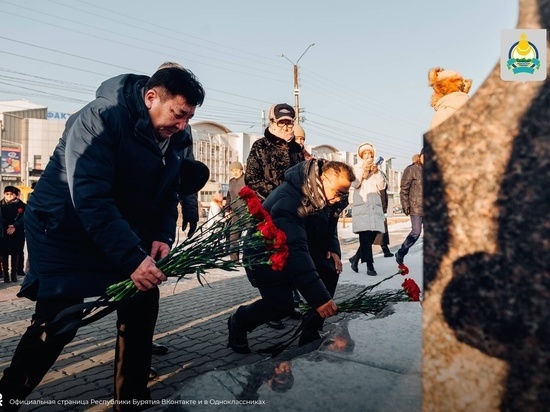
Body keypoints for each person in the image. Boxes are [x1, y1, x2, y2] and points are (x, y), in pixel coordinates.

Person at [0, 66, 205, 410]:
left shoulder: (177, 137)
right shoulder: (101, 118)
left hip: (117, 225)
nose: (183, 125)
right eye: (179, 114)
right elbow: (90, 197)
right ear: (152, 97)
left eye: (189, 118)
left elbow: (169, 192)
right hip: (64, 228)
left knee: (142, 299)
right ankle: (7, 398)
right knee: (59, 321)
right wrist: (131, 258)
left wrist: (159, 235)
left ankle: (132, 399)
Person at [227, 159, 355, 354]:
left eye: (345, 194)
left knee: (329, 268)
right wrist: (319, 299)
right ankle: (239, 321)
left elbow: (329, 223)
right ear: (322, 179)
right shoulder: (290, 200)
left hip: (293, 250)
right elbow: (295, 250)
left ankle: (310, 332)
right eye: (338, 193)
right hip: (265, 255)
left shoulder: (324, 196)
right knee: (281, 306)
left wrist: (333, 248)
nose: (340, 199)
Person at [245, 103, 305, 330]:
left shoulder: (296, 149)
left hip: (292, 214)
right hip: (267, 214)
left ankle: (288, 304)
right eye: (282, 122)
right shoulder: (260, 146)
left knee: (290, 258)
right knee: (269, 262)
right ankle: (271, 308)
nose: (287, 126)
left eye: (290, 121)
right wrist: (277, 196)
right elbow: (252, 179)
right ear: (272, 122)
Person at [348, 142, 386, 276]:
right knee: (365, 236)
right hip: (362, 205)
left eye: (369, 153)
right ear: (361, 156)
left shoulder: (377, 168)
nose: (368, 156)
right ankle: (370, 265)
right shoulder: (355, 167)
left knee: (372, 235)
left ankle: (355, 258)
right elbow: (354, 184)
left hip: (374, 206)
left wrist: (376, 173)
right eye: (365, 154)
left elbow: (381, 186)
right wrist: (363, 171)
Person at [395, 149, 424, 265]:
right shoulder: (411, 169)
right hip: (416, 206)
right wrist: (405, 204)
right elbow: (404, 189)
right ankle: (401, 252)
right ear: (420, 156)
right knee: (416, 232)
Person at [1, 186, 26, 283]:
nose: (9, 196)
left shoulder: (22, 205)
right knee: (3, 254)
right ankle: (5, 275)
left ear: (15, 195)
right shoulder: (1, 204)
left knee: (16, 253)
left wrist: (15, 226)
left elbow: (24, 217)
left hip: (17, 232)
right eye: (7, 194)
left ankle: (14, 274)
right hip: (4, 232)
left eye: (11, 194)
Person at [226, 161, 246, 263]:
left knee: (249, 235)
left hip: (247, 212)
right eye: (233, 171)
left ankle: (249, 257)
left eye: (236, 170)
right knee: (233, 236)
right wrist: (227, 210)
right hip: (235, 213)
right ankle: (234, 259)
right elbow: (229, 197)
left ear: (241, 170)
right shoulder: (231, 182)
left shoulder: (247, 180)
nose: (235, 172)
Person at [373, 188, 394, 257]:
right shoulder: (377, 180)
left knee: (378, 232)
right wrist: (383, 210)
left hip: (379, 209)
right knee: (371, 234)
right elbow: (382, 197)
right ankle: (356, 257)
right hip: (377, 209)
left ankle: (386, 250)